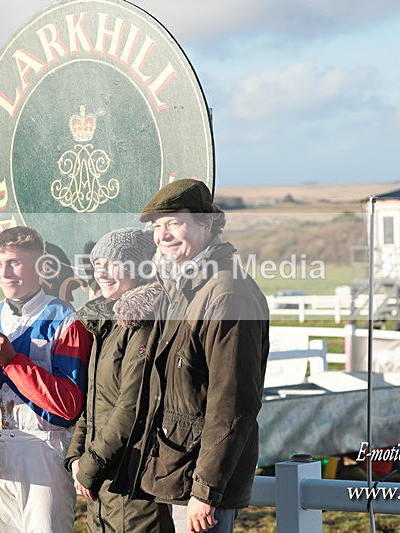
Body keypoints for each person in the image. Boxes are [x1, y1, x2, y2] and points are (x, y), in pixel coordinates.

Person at [132, 179, 270, 533]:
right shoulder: (185, 285)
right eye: (157, 226)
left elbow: (233, 401)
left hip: (198, 482)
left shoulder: (227, 293)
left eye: (174, 223)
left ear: (206, 225)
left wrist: (206, 491)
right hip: (175, 467)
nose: (163, 235)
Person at [0, 226, 92, 533]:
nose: (5, 272)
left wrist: (13, 362)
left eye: (14, 262)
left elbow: (68, 405)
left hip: (43, 449)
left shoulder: (65, 319)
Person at [65, 227, 172, 532]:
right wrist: (76, 454)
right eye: (98, 264)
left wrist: (89, 465)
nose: (103, 273)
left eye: (113, 264)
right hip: (102, 481)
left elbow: (131, 406)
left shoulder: (143, 325)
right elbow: (94, 401)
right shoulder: (106, 325)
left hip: (131, 481)